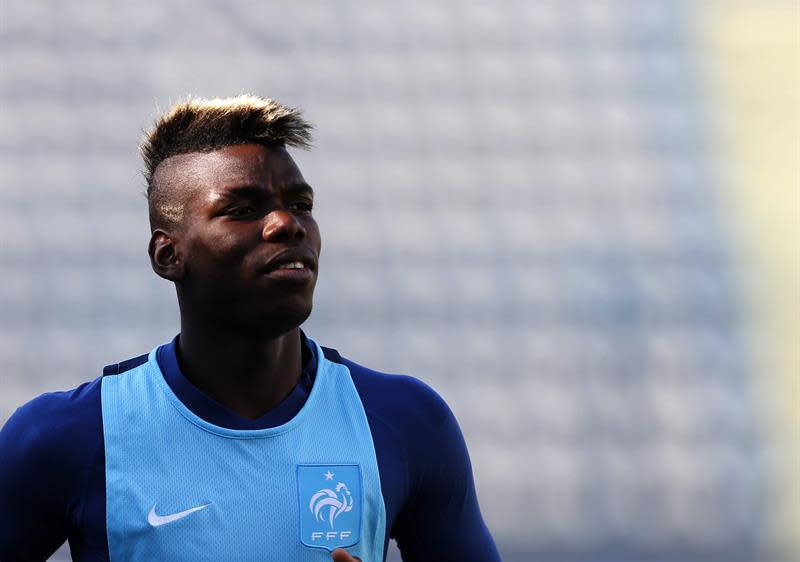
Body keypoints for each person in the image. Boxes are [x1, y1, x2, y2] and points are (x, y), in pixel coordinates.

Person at [0, 96, 501, 561]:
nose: (288, 223)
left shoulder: (406, 421)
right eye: (242, 209)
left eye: (302, 204)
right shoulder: (68, 436)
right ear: (168, 254)